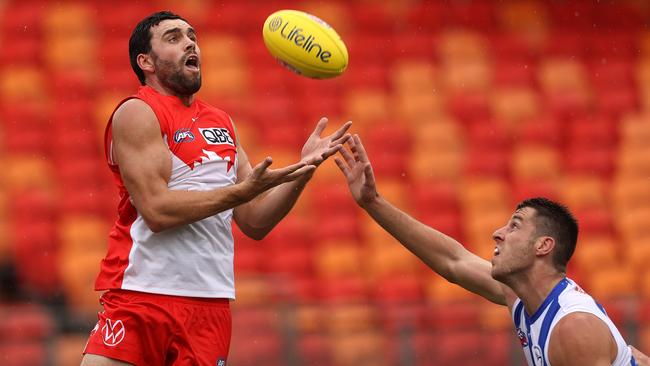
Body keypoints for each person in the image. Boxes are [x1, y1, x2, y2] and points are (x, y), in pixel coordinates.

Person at [81, 11, 351, 366]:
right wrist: (241, 193)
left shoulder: (222, 122)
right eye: (174, 38)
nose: (190, 43)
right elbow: (157, 211)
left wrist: (303, 170)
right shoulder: (137, 112)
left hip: (210, 303)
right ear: (144, 61)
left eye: (192, 36)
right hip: (142, 295)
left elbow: (254, 222)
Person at [334, 135, 646, 366]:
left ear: (543, 246)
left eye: (515, 226)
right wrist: (373, 202)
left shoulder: (573, 328)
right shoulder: (525, 297)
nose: (497, 234)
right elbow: (452, 261)